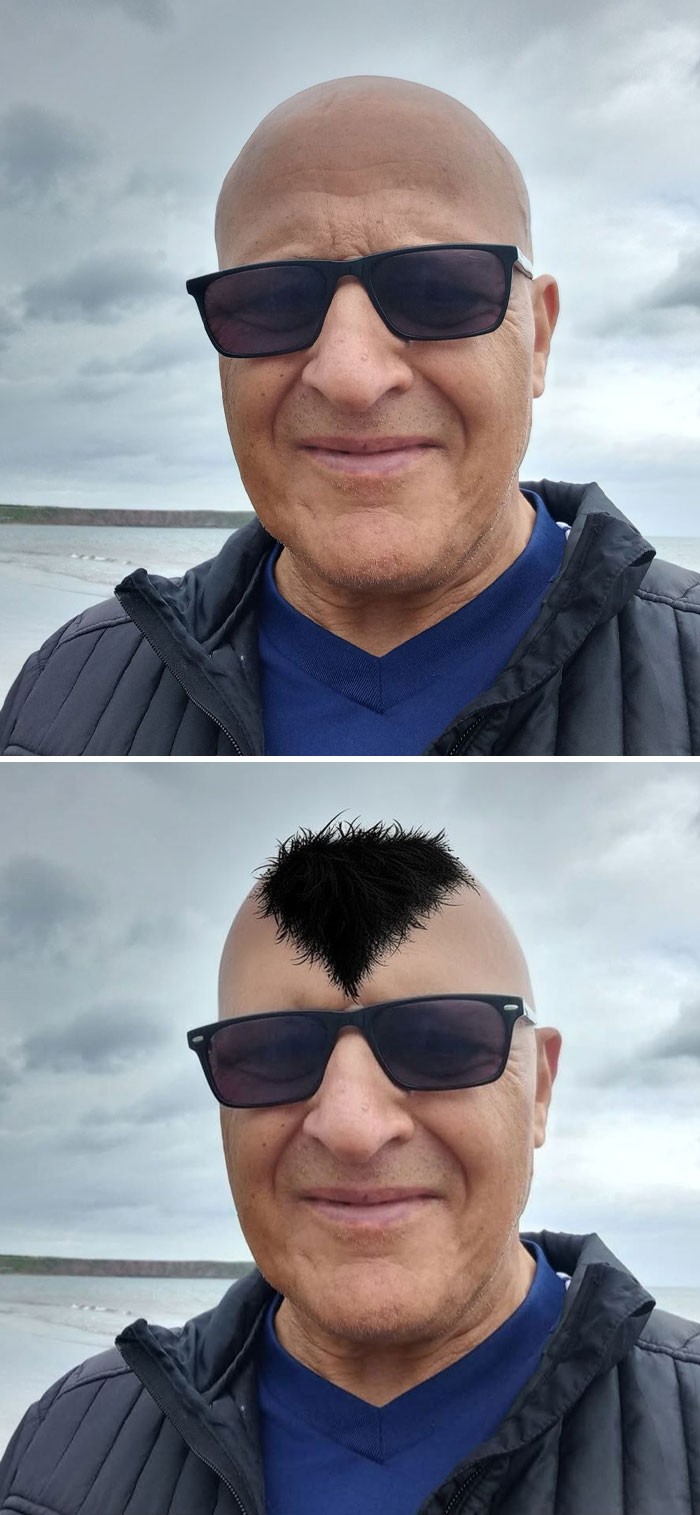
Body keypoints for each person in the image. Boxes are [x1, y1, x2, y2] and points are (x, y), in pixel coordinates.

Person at [2, 819, 698, 1515]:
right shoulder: (61, 1445)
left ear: (539, 1089)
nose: (353, 1128)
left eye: (439, 1042)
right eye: (273, 1052)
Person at [1, 78, 699, 757]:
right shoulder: (59, 695)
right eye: (273, 301)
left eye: (438, 291)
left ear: (537, 340)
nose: (351, 378)